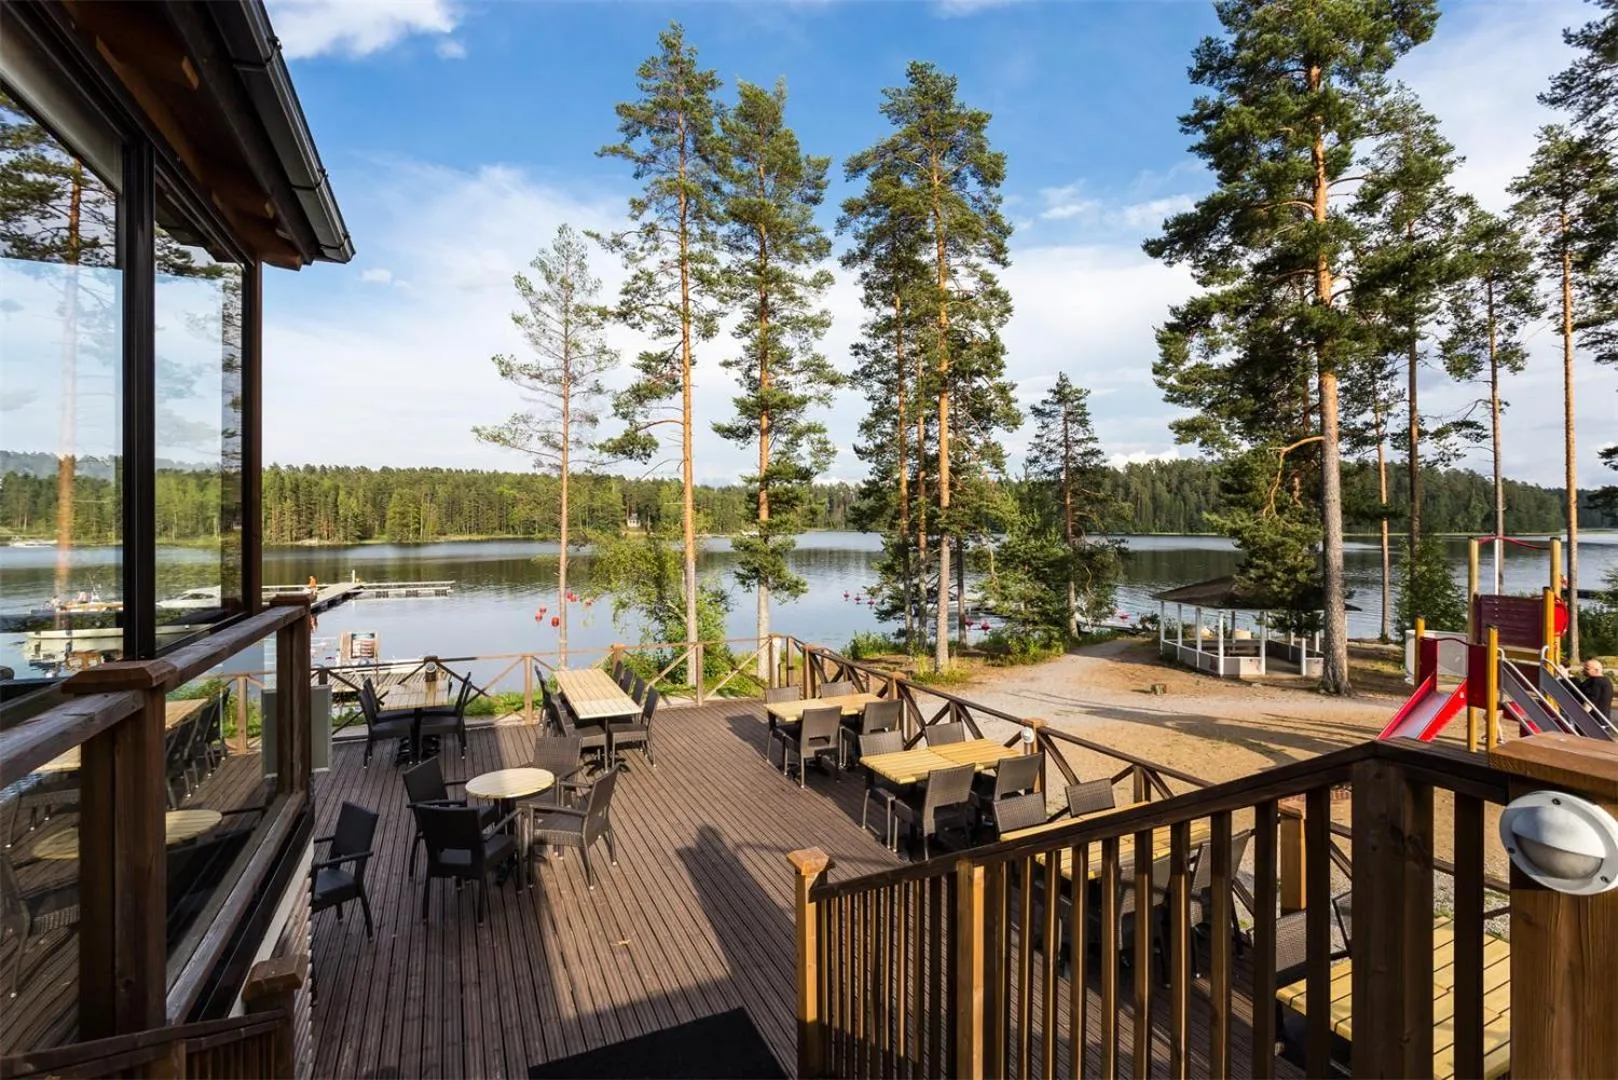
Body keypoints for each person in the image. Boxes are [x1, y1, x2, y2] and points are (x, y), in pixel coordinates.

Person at [1573, 658, 1612, 723]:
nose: (1584, 670)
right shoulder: (1596, 680)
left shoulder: (1597, 682)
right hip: (1596, 721)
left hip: (1593, 722)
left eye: (1587, 669)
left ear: (1597, 670)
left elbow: (1589, 703)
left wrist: (1577, 718)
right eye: (1584, 668)